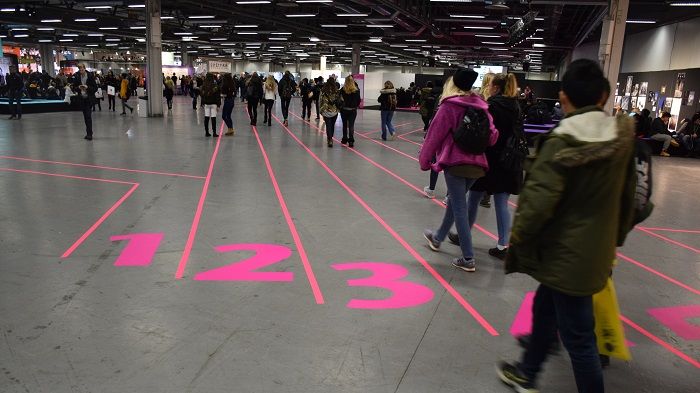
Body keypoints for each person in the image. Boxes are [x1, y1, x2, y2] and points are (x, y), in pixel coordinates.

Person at [496, 58, 637, 393]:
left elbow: (537, 204)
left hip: (564, 256)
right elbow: (629, 201)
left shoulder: (561, 143)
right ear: (603, 95)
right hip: (594, 254)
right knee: (545, 311)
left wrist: (520, 239)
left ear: (563, 97)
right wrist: (611, 240)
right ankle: (527, 373)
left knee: (579, 339)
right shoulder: (622, 142)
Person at [420, 69, 498, 272]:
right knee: (455, 204)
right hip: (477, 165)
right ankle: (437, 238)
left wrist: (425, 160)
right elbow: (492, 137)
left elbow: (434, 136)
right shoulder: (482, 107)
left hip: (455, 164)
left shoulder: (449, 106)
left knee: (460, 209)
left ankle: (468, 257)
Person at [458, 73, 523, 260]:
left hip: (488, 159)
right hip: (508, 162)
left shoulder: (492, 106)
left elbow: (484, 132)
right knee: (502, 204)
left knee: (473, 199)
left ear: (495, 87)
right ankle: (503, 245)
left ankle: (464, 235)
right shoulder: (516, 106)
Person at [72, 64, 98, 140]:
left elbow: (95, 88)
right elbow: (74, 87)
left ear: (84, 68)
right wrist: (78, 88)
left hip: (88, 99)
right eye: (79, 69)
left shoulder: (90, 76)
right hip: (82, 99)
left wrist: (87, 87)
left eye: (82, 69)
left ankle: (90, 134)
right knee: (85, 117)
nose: (81, 71)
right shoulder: (77, 76)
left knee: (88, 116)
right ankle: (88, 133)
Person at [319, 77, 342, 148]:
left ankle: (330, 139)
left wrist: (320, 110)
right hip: (334, 111)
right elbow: (340, 100)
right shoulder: (337, 91)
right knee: (332, 125)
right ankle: (330, 137)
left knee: (328, 125)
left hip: (326, 110)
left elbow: (320, 100)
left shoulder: (323, 90)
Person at [340, 75, 361, 148]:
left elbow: (340, 99)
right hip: (352, 110)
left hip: (344, 109)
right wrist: (355, 105)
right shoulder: (356, 90)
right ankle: (351, 140)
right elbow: (358, 100)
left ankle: (344, 139)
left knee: (345, 125)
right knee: (351, 125)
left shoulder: (343, 89)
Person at [200, 73, 221, 137]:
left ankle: (207, 132)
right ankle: (214, 133)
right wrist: (218, 105)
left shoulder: (203, 86)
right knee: (213, 118)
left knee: (206, 118)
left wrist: (202, 103)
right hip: (214, 104)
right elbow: (218, 96)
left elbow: (202, 95)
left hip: (206, 104)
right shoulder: (215, 86)